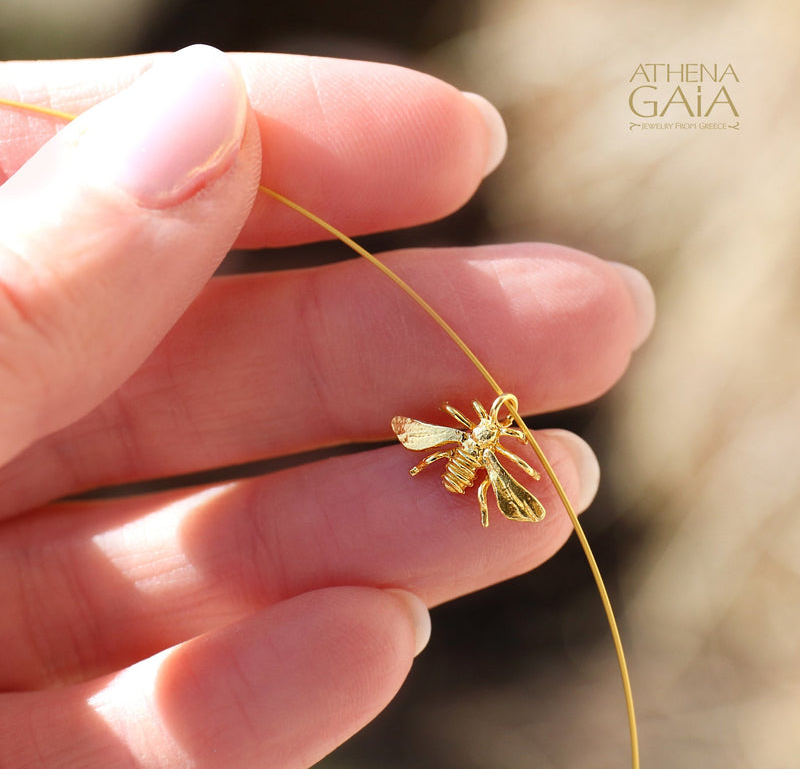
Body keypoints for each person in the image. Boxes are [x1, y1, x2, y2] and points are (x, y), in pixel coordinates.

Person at [0, 44, 654, 767]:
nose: (492, 422)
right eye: (493, 421)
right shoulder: (479, 433)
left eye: (492, 423)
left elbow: (418, 432)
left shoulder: (465, 431)